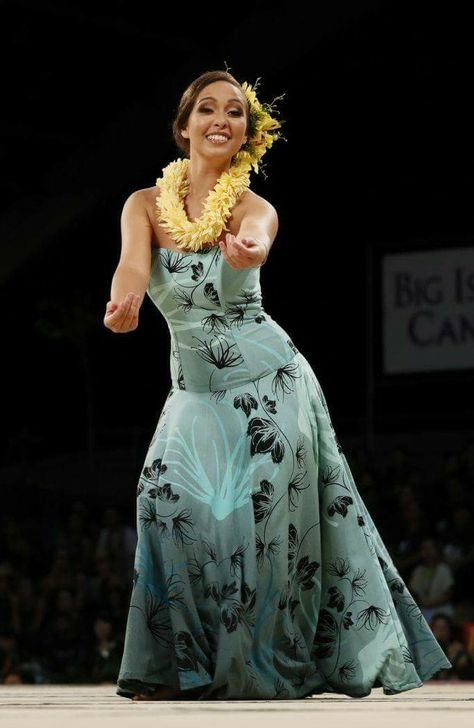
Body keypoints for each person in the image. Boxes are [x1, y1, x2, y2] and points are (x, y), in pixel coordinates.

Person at [104, 69, 452, 701]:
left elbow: (257, 240)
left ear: (244, 133)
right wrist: (122, 304)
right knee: (161, 502)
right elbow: (132, 266)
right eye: (206, 109)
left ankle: (262, 662)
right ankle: (178, 663)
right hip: (192, 391)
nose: (220, 119)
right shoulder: (144, 206)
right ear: (183, 128)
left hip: (269, 385)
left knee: (261, 533)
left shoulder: (252, 207)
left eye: (234, 112)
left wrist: (248, 251)